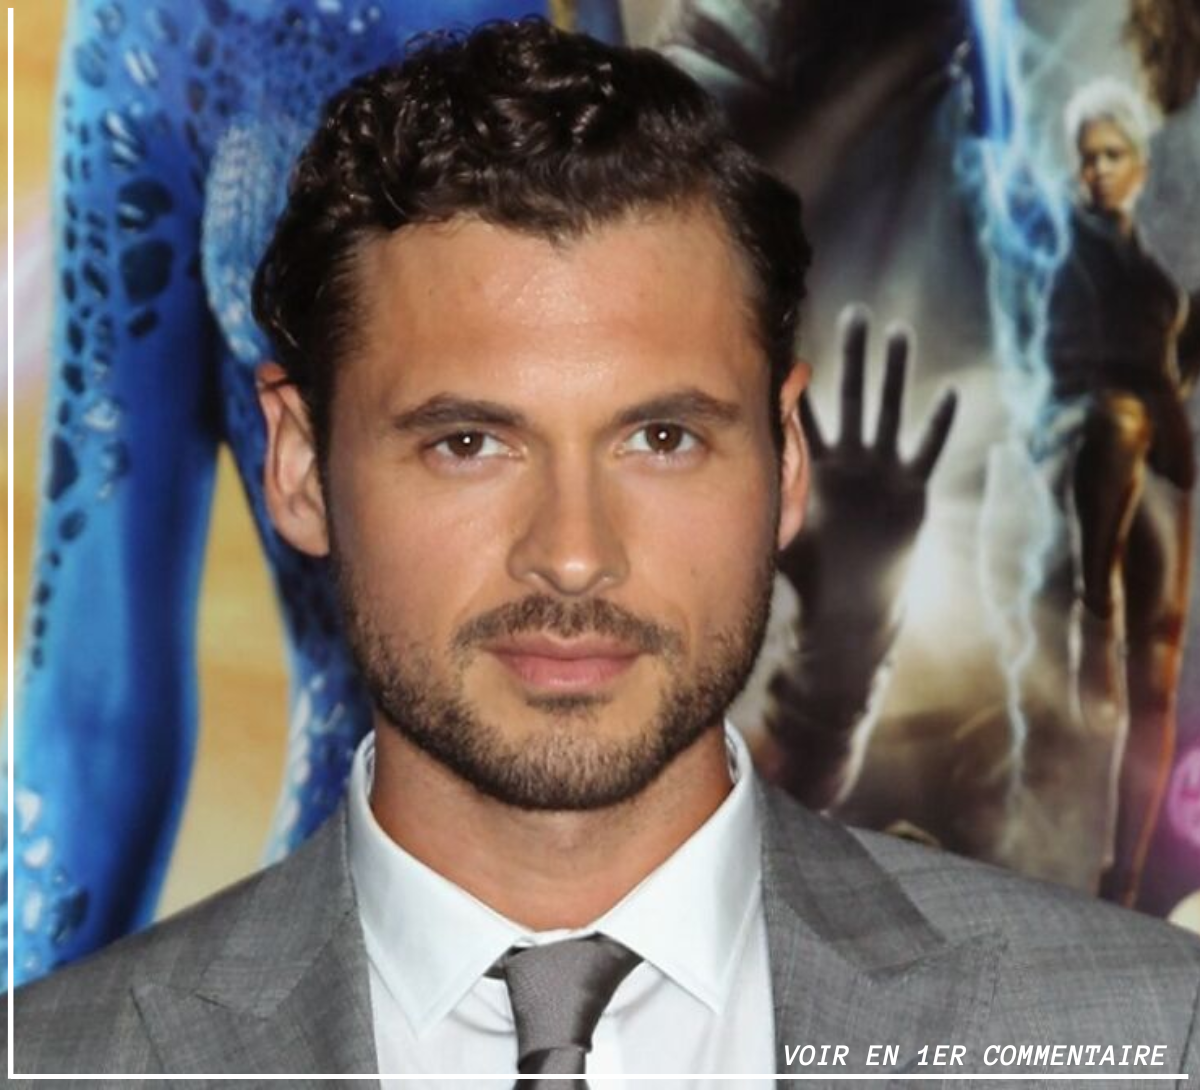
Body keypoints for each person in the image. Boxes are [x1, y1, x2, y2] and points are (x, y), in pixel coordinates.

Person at [8, 20, 1199, 1080]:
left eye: (661, 438)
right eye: (470, 443)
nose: (573, 557)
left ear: (787, 457)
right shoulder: (67, 1065)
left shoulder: (1145, 1040)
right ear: (301, 467)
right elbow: (94, 701)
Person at [1036, 77, 1200, 908]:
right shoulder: (1072, 249)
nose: (1096, 170)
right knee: (1121, 420)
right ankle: (1092, 614)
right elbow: (1065, 360)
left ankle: (1125, 877)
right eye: (1087, 157)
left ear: (1139, 162)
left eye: (1112, 154)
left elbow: (1176, 349)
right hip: (1091, 444)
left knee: (1157, 683)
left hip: (1162, 466)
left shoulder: (1161, 254)